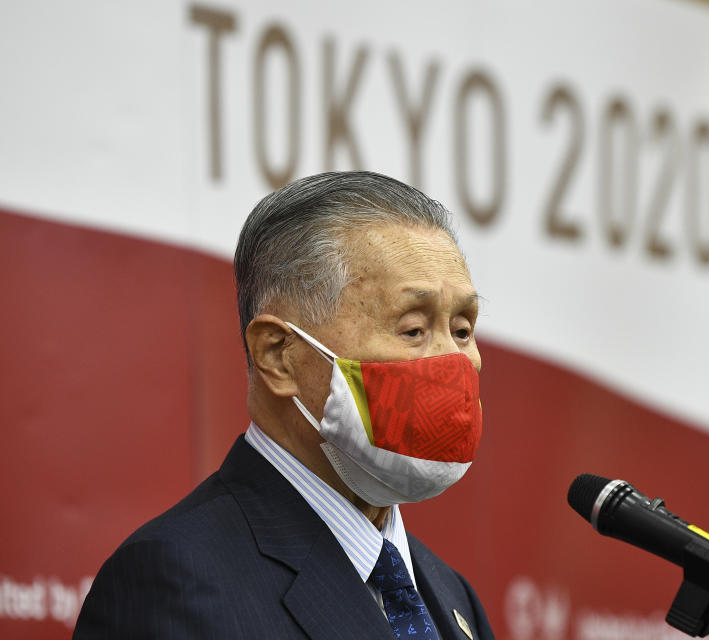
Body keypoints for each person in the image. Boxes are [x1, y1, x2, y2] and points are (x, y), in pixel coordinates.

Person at [74, 171, 494, 639]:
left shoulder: (453, 596)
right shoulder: (174, 582)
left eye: (462, 329)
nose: (454, 362)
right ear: (278, 355)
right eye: (413, 329)